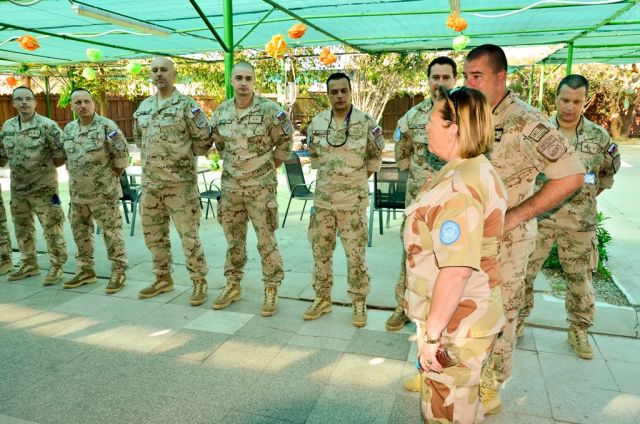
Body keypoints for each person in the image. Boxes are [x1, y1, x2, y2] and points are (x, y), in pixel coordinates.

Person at [463, 44, 585, 414]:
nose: (468, 83)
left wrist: (515, 216)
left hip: (507, 241)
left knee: (501, 311)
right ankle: (458, 374)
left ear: (500, 77)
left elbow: (571, 175)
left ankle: (492, 385)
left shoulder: (527, 122)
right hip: (469, 237)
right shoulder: (473, 114)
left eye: (476, 76)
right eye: (466, 75)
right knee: (466, 308)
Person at [406, 86, 507, 423]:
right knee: (463, 406)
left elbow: (456, 270)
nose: (426, 127)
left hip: (457, 323)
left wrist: (432, 337)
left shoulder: (459, 186)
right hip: (465, 315)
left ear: (454, 128)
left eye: (433, 121)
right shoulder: (469, 168)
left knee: (446, 412)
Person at [517, 74, 621, 359]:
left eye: (576, 101)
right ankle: (517, 321)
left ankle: (579, 330)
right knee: (523, 274)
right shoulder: (537, 132)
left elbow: (605, 175)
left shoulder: (599, 137)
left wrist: (581, 200)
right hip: (539, 220)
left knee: (580, 280)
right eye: (564, 100)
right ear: (556, 99)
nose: (569, 107)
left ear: (584, 102)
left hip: (579, 224)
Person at [210, 62, 293, 316]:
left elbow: (285, 144)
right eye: (239, 78)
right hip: (231, 189)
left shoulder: (271, 111)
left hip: (261, 190)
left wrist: (263, 169)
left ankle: (271, 288)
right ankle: (233, 285)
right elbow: (220, 146)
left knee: (266, 241)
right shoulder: (221, 112)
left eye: (248, 78)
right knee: (233, 241)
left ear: (255, 81)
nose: (243, 83)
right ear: (231, 81)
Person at [304, 72, 384, 327]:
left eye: (343, 91)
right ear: (328, 94)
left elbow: (374, 157)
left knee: (356, 255)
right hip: (324, 202)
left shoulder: (366, 122)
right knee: (320, 253)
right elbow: (315, 156)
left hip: (352, 203)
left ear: (350, 92)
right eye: (334, 92)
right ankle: (322, 298)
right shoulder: (317, 123)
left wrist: (354, 180)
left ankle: (358, 301)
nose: (339, 96)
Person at [133, 57, 213, 306]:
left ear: (174, 74)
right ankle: (162, 278)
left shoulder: (187, 106)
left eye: (164, 70)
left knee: (189, 237)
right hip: (151, 185)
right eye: (154, 70)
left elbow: (204, 140)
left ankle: (199, 281)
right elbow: (139, 139)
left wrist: (181, 159)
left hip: (180, 186)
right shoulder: (144, 107)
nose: (159, 74)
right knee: (153, 236)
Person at [386, 56, 456, 332]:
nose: (440, 82)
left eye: (446, 77)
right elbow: (401, 155)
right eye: (435, 77)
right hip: (418, 204)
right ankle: (402, 307)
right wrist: (419, 178)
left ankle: (444, 313)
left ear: (455, 80)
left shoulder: (465, 114)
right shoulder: (412, 117)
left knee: (452, 260)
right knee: (411, 255)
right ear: (428, 81)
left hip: (454, 204)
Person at [60, 88, 129, 293]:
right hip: (78, 194)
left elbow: (121, 158)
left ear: (93, 103)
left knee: (112, 233)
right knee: (80, 234)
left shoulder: (107, 127)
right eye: (78, 102)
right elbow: (68, 160)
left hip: (103, 194)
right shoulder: (69, 130)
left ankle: (118, 271)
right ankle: (85, 270)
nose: (83, 106)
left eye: (86, 101)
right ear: (72, 106)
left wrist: (107, 180)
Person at [0, 86, 67, 285]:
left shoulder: (47, 126)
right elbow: (2, 157)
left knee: (52, 229)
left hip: (44, 190)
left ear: (35, 102)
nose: (24, 102)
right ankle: (29, 263)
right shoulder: (8, 127)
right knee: (22, 229)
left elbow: (60, 156)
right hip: (18, 190)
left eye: (28, 98)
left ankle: (56, 266)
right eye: (19, 99)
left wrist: (42, 172)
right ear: (13, 103)